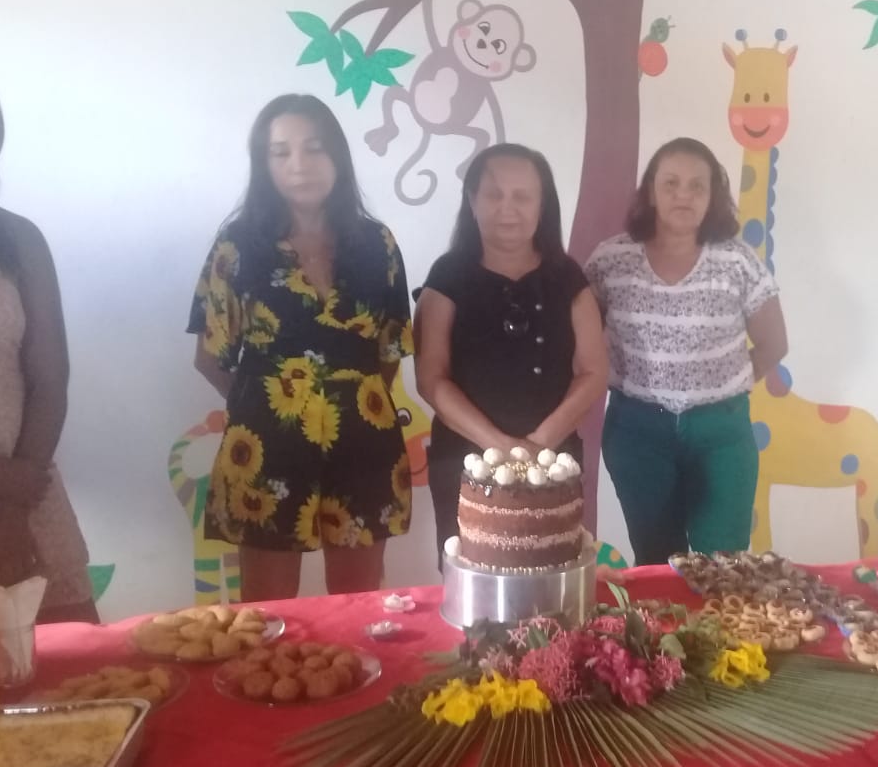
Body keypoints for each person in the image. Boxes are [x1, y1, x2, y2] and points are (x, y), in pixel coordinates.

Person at [188, 94, 413, 601]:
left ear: (337, 156)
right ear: (263, 163)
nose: (299, 164)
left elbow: (389, 351)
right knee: (268, 617)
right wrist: (273, 403)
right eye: (281, 151)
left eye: (314, 148)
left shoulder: (377, 245)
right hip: (265, 449)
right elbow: (210, 358)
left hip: (362, 444)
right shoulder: (238, 246)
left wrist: (343, 399)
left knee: (357, 608)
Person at [586, 137, 788, 566]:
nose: (684, 195)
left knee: (726, 564)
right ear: (650, 191)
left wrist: (718, 387)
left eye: (698, 186)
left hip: (722, 435)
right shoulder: (610, 260)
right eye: (671, 183)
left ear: (713, 196)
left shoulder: (737, 261)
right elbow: (583, 338)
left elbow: (774, 344)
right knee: (657, 562)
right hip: (638, 432)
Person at [414, 143, 607, 564]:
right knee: (471, 583)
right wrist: (501, 446)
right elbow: (431, 378)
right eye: (494, 194)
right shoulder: (446, 277)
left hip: (554, 460)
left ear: (542, 205)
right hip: (464, 460)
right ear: (472, 201)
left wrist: (539, 444)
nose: (508, 208)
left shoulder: (567, 277)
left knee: (553, 578)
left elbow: (594, 371)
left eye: (523, 196)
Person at [0, 79, 97, 623]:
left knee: (81, 664)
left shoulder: (19, 240)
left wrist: (10, 508)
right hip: (12, 476)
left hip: (26, 493)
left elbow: (51, 381)